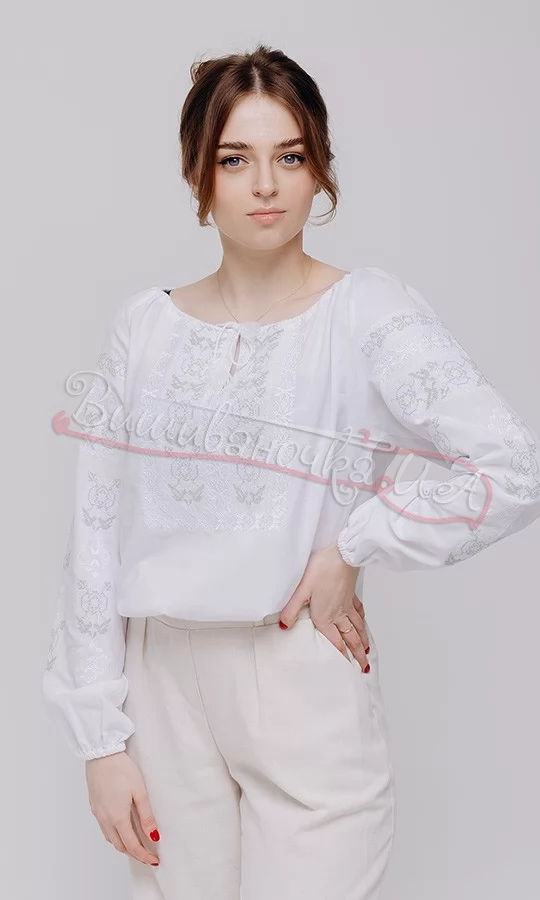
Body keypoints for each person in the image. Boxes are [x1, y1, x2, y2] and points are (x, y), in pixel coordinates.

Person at [42, 43, 540, 900]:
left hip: (296, 667)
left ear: (320, 171)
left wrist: (356, 543)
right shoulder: (144, 328)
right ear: (200, 174)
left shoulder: (366, 313)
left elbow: (512, 468)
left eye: (291, 156)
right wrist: (100, 739)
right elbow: (94, 537)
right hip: (159, 683)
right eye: (235, 159)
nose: (266, 185)